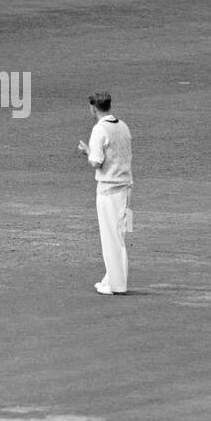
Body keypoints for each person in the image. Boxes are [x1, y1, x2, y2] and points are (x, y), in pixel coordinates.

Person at [77, 92, 133, 294]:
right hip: (125, 186)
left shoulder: (100, 129)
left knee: (111, 237)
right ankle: (111, 278)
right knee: (118, 235)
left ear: (93, 108)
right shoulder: (123, 126)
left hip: (109, 189)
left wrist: (87, 152)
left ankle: (116, 285)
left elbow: (96, 162)